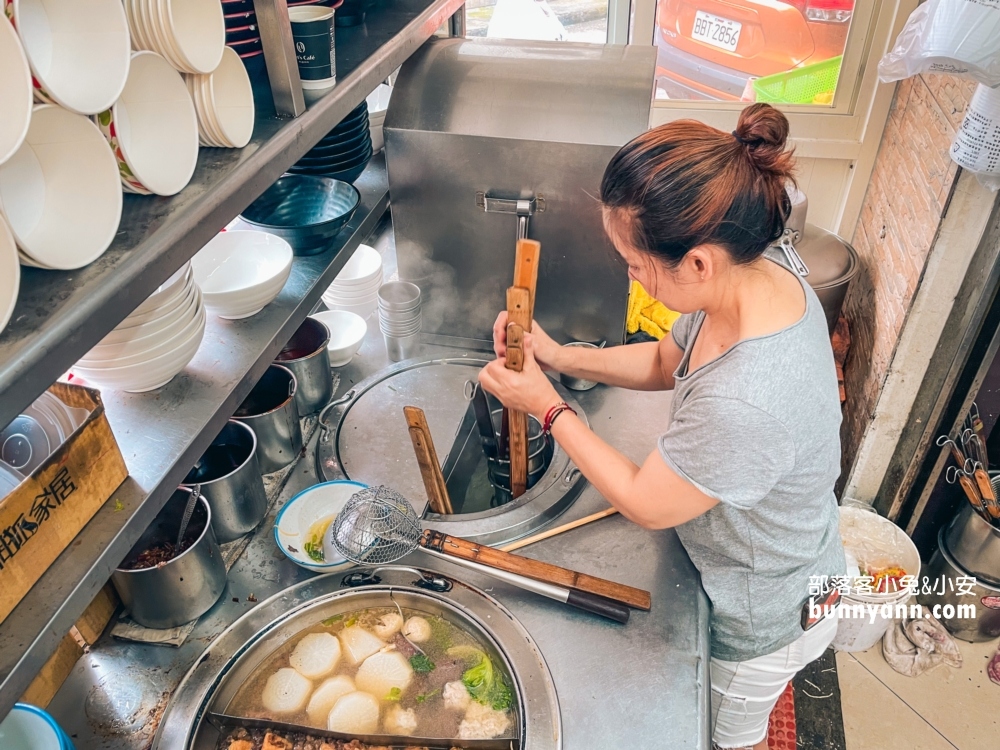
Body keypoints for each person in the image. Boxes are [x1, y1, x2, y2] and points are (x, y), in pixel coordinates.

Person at [478, 103, 846, 750]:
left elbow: (650, 503)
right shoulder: (755, 269)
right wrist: (559, 357)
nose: (630, 274)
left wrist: (546, 404)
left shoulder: (747, 399)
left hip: (764, 612)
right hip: (788, 551)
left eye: (633, 263)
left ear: (698, 263)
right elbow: (662, 356)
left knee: (730, 736)